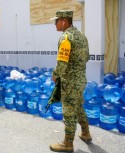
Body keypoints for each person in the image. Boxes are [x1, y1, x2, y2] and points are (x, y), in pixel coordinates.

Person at [49, 10, 92, 152]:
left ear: (64, 21)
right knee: (79, 107)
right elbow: (86, 58)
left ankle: (67, 144)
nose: (55, 24)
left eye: (56, 21)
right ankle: (86, 133)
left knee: (68, 112)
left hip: (70, 83)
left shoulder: (66, 38)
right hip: (81, 80)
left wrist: (55, 75)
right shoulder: (82, 37)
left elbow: (62, 63)